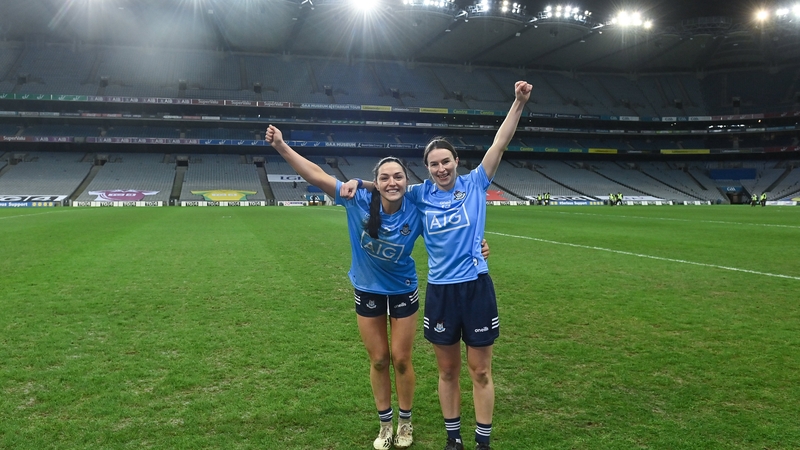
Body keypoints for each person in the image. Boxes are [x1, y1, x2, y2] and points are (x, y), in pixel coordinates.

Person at [266, 125, 489, 449]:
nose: (392, 182)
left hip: (403, 289)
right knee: (380, 360)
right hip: (368, 288)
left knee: (401, 359)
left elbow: (450, 232)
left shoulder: (417, 206)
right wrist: (281, 146)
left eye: (398, 176)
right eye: (384, 178)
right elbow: (315, 175)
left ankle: (405, 422)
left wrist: (479, 245)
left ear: (407, 181)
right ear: (376, 182)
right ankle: (385, 425)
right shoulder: (356, 199)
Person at [345, 80, 532, 450]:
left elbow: (500, 143)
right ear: (427, 168)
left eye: (446, 161)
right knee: (447, 370)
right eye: (434, 164)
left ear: (456, 162)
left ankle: (482, 443)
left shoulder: (476, 183)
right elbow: (389, 185)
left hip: (476, 286)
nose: (441, 168)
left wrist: (518, 103)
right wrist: (359, 182)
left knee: (481, 370)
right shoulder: (420, 194)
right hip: (441, 291)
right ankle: (453, 439)